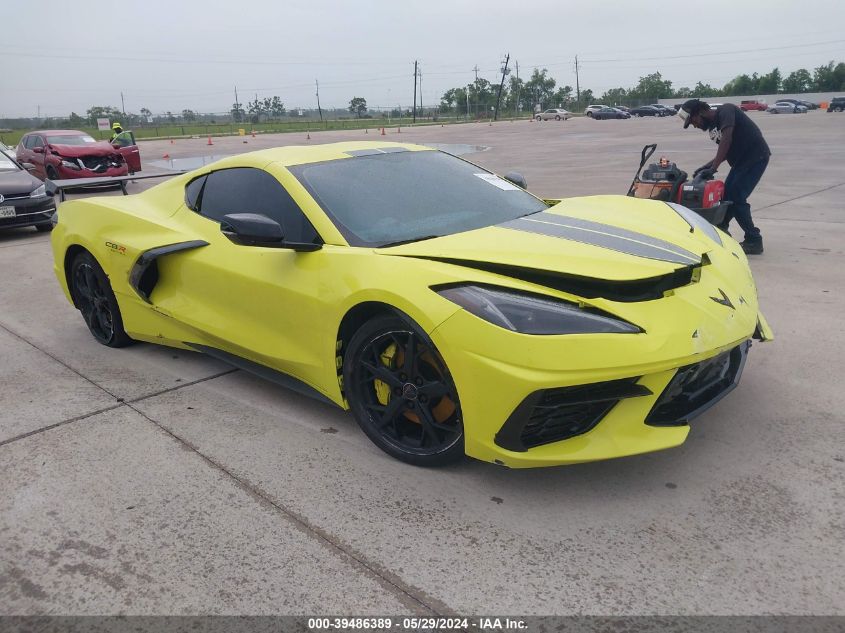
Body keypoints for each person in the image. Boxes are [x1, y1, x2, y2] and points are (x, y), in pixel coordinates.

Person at [680, 99, 770, 255]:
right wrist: (706, 167)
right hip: (740, 162)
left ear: (700, 112)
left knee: (736, 198)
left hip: (755, 157)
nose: (694, 125)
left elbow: (727, 139)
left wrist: (713, 167)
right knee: (727, 196)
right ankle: (721, 231)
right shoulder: (713, 128)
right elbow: (726, 150)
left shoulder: (726, 111)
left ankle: (754, 240)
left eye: (693, 121)